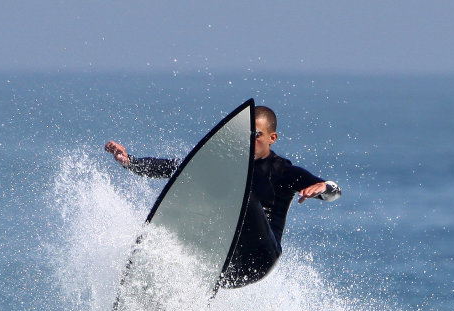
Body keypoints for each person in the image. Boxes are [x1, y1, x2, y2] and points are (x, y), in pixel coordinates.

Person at [104, 105, 337, 286]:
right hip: (225, 261)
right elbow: (174, 168)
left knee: (237, 187)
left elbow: (332, 191)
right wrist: (130, 162)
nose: (249, 140)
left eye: (256, 134)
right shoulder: (227, 165)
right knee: (200, 177)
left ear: (271, 138)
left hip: (259, 258)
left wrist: (324, 187)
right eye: (246, 134)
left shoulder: (283, 171)